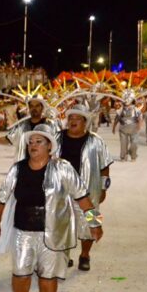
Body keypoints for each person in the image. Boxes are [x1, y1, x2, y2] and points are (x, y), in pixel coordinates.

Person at [0, 125, 104, 292]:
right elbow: (3, 195)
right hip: (23, 230)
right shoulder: (18, 168)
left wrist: (95, 223)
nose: (33, 145)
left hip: (53, 231)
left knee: (48, 275)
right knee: (20, 273)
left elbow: (83, 197)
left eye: (38, 142)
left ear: (50, 146)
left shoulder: (63, 168)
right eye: (30, 142)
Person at [56, 107, 113, 272]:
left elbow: (105, 166)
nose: (73, 121)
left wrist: (104, 188)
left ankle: (85, 255)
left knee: (91, 223)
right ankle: (64, 256)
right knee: (61, 225)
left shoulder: (96, 141)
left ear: (85, 122)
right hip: (61, 191)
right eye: (70, 117)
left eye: (78, 118)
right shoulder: (57, 138)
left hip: (90, 192)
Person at [5, 96, 60, 160]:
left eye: (37, 106)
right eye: (31, 106)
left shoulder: (50, 125)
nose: (34, 109)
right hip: (26, 165)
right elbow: (10, 138)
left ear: (42, 107)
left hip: (45, 164)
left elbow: (59, 142)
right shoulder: (22, 125)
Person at [112, 89, 141, 162]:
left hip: (134, 129)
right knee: (123, 143)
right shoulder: (120, 110)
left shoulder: (136, 110)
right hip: (123, 129)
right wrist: (114, 127)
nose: (127, 101)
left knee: (134, 143)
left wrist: (139, 126)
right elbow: (117, 119)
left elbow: (140, 118)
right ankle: (123, 156)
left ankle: (133, 156)